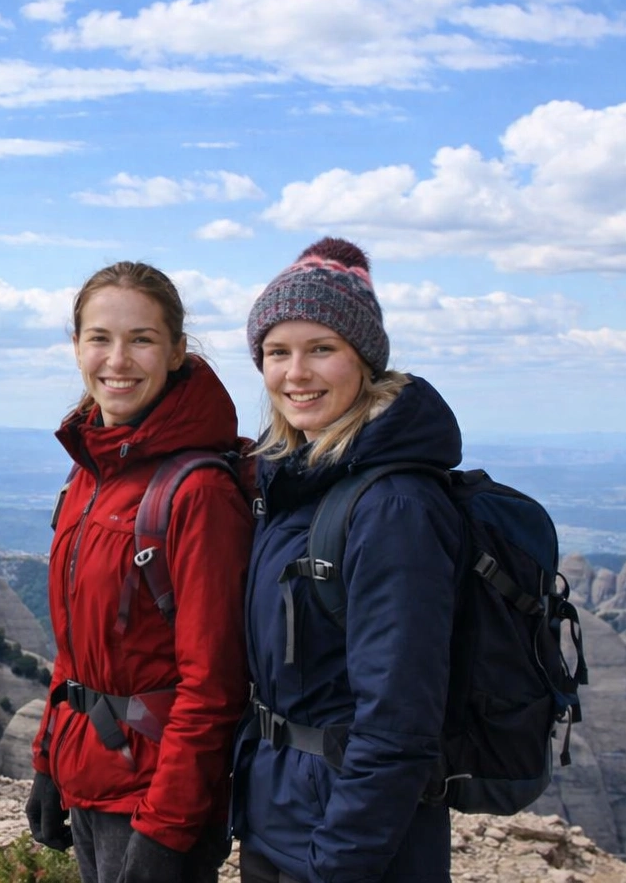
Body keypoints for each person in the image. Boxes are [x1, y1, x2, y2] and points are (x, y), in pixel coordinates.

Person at [232, 238, 464, 883]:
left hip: (350, 841)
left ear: (364, 359)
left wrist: (341, 862)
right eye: (278, 352)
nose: (295, 373)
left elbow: (398, 720)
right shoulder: (294, 483)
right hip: (282, 816)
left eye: (322, 349)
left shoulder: (393, 506)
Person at [26, 261, 253, 883]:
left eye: (142, 339)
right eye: (100, 337)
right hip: (92, 775)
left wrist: (168, 830)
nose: (117, 359)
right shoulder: (91, 469)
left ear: (177, 351)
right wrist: (49, 760)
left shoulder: (198, 490)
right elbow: (79, 643)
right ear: (76, 347)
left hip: (157, 795)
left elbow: (214, 685)